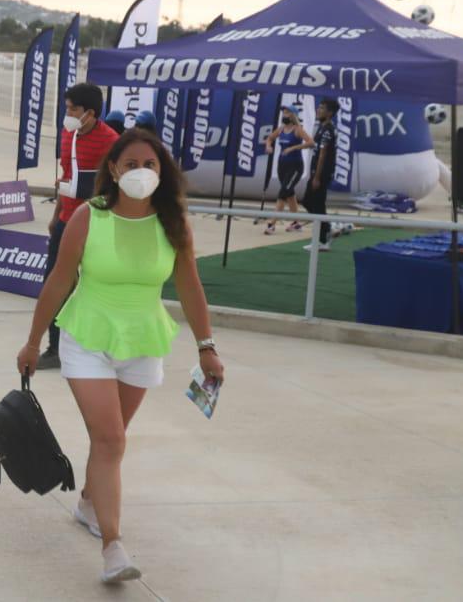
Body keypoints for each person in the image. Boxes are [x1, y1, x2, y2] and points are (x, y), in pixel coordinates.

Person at [17, 128, 225, 585]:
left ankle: (89, 503)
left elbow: (190, 286)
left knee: (110, 439)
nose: (140, 172)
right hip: (88, 337)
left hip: (143, 341)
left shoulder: (173, 222)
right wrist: (33, 342)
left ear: (162, 172)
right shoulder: (89, 217)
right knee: (111, 439)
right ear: (113, 169)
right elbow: (59, 279)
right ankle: (113, 547)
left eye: (149, 165)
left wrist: (206, 346)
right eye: (131, 164)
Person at [39, 83, 120, 371]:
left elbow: (117, 185)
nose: (68, 114)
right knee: (54, 284)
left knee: (97, 287)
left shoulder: (111, 141)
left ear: (91, 113)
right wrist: (56, 215)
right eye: (67, 108)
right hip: (66, 222)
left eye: (73, 109)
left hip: (97, 224)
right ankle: (54, 347)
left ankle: (104, 345)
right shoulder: (67, 135)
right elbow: (66, 176)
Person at [264, 106, 314, 235]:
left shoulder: (298, 129)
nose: (284, 115)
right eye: (283, 112)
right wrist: (268, 146)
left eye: (286, 113)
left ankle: (272, 224)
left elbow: (311, 143)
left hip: (295, 167)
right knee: (289, 193)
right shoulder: (281, 129)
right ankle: (296, 223)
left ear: (293, 115)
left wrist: (293, 148)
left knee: (283, 192)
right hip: (282, 166)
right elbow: (269, 138)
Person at [301, 98, 339, 252]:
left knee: (316, 204)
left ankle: (323, 238)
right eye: (319, 107)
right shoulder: (322, 127)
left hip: (322, 174)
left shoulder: (328, 130)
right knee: (308, 202)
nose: (318, 110)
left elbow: (323, 155)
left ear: (330, 113)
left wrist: (316, 177)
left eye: (322, 108)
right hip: (316, 172)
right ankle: (327, 228)